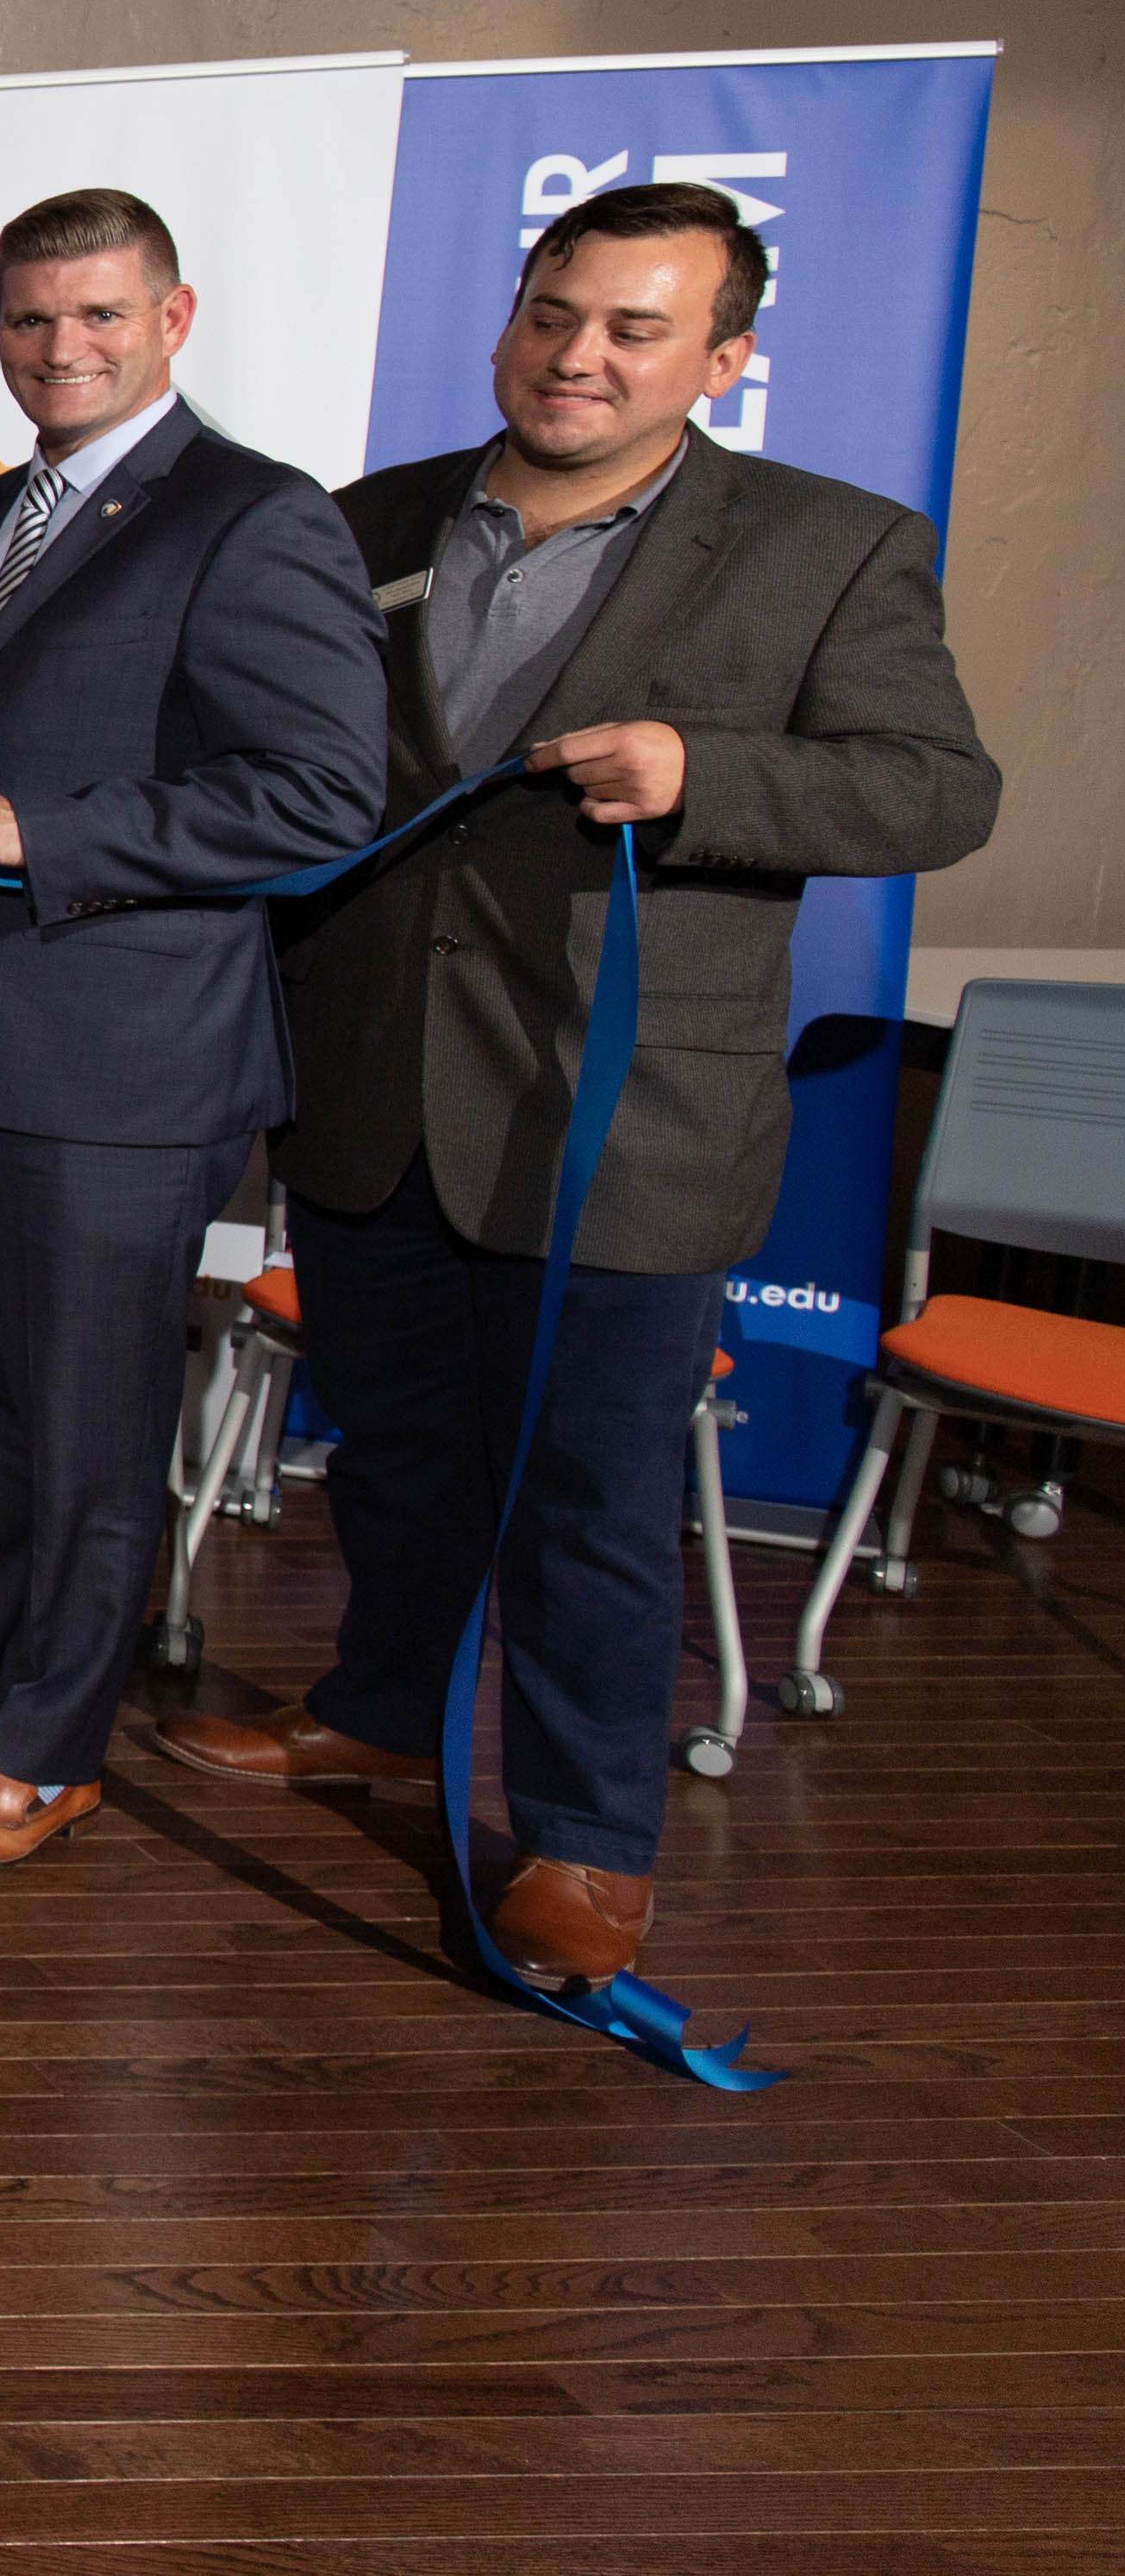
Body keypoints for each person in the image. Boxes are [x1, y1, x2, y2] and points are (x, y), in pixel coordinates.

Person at [167, 181, 997, 1984]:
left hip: (622, 1116)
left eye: (633, 328)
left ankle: (581, 1839)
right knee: (386, 1456)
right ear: (507, 317)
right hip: (372, 1081)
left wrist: (711, 772)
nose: (578, 355)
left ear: (723, 356)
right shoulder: (360, 520)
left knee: (589, 1496)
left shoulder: (829, 545)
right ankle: (381, 1714)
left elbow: (936, 791)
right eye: (554, 312)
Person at [0, 191, 389, 1867]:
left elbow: (324, 792)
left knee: (87, 1430)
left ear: (171, 320)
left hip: (121, 1064)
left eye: (98, 317)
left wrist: (55, 830)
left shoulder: (255, 519)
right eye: (31, 320)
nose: (61, 349)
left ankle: (48, 1752)